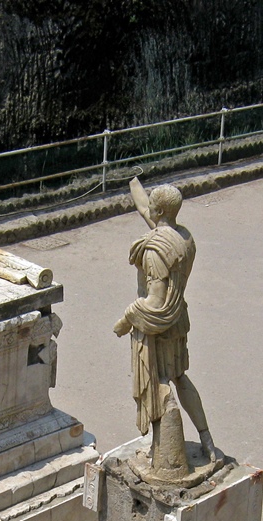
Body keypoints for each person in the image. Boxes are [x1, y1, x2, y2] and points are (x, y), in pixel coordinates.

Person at [113, 182, 218, 466]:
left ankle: (164, 454)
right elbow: (145, 207)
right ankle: (207, 441)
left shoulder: (155, 250)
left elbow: (155, 303)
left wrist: (125, 320)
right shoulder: (184, 237)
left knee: (160, 385)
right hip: (179, 319)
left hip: (159, 326)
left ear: (158, 211)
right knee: (181, 378)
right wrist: (133, 181)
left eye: (152, 208)